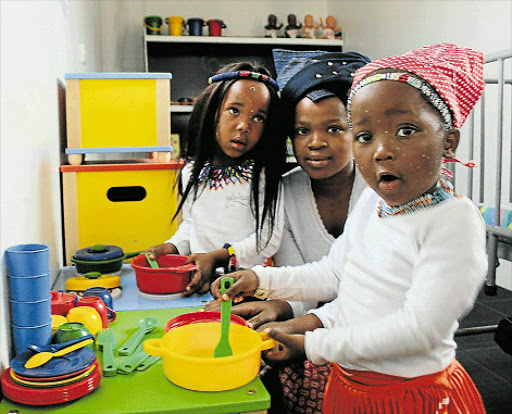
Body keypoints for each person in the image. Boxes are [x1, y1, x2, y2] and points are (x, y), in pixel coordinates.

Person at [212, 44, 488, 414]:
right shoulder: (374, 203)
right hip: (350, 387)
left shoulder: (452, 219)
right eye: (365, 136)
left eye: (405, 130)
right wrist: (259, 280)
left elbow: (420, 330)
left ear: (448, 140)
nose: (381, 151)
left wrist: (312, 345)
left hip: (409, 396)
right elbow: (336, 275)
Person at [206, 49, 371, 414]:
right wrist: (274, 298)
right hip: (309, 330)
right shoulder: (288, 190)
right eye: (301, 131)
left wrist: (289, 310)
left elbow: (371, 287)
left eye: (334, 128)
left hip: (369, 344)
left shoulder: (379, 193)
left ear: (359, 131)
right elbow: (309, 275)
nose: (315, 142)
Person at [145, 62, 287, 296]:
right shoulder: (192, 172)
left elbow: (268, 240)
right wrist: (171, 247)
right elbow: (192, 225)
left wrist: (218, 257)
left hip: (249, 289)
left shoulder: (263, 177)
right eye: (234, 111)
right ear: (212, 112)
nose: (244, 126)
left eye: (259, 118)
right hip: (200, 284)